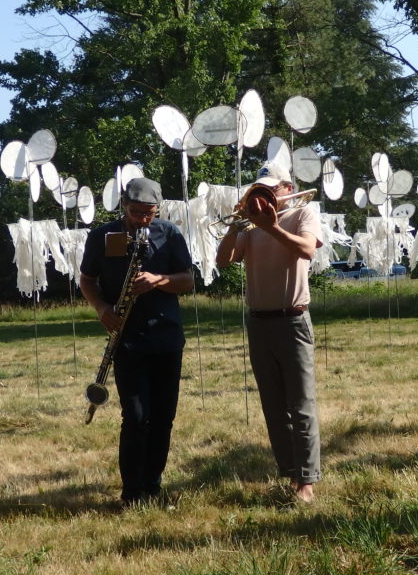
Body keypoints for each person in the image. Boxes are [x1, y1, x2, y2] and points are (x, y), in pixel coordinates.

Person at [79, 178, 194, 507]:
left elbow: (187, 279)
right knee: (136, 415)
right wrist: (102, 309)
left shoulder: (169, 233)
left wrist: (159, 280)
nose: (143, 219)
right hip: (127, 339)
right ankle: (132, 491)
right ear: (123, 206)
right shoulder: (103, 236)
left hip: (167, 336)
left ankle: (153, 484)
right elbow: (87, 279)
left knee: (163, 417)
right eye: (136, 212)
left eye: (150, 213)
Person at [215, 162, 323, 503]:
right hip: (259, 322)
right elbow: (223, 260)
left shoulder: (304, 213)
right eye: (259, 190)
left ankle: (307, 482)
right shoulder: (250, 226)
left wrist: (271, 226)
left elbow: (307, 250)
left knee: (301, 403)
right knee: (273, 405)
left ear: (287, 189)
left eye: (271, 190)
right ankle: (290, 474)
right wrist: (236, 224)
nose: (264, 196)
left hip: (293, 320)